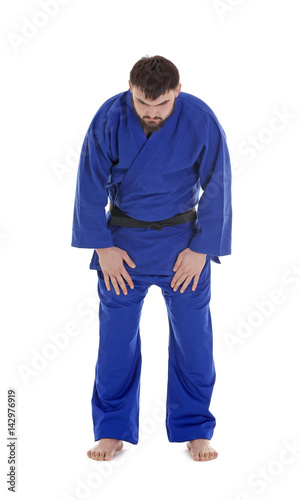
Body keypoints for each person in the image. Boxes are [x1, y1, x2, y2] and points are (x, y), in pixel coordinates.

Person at [71, 55, 232, 462]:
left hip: (184, 246)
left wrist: (201, 249)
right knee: (115, 342)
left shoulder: (199, 118)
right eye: (144, 104)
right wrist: (102, 247)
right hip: (122, 246)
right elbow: (89, 182)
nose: (152, 113)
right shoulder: (110, 117)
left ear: (177, 91)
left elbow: (218, 183)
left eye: (161, 106)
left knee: (194, 341)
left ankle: (196, 429)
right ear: (131, 87)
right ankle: (111, 429)